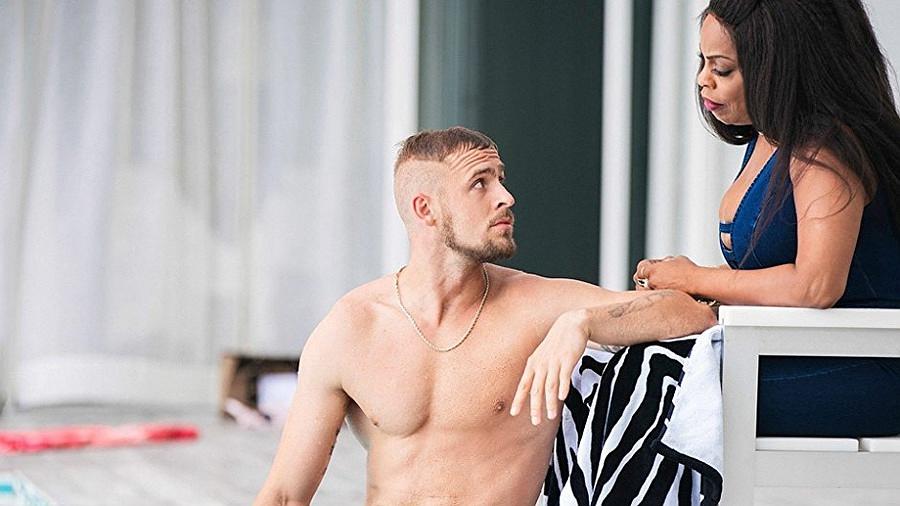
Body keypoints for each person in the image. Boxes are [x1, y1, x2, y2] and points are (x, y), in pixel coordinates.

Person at [253, 127, 716, 505]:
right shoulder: (353, 328)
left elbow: (689, 312)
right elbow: (285, 495)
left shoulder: (535, 305)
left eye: (501, 179)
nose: (506, 196)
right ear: (426, 209)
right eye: (480, 183)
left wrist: (583, 323)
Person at [633, 0, 900, 437]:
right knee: (621, 369)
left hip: (863, 368)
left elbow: (815, 286)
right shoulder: (769, 139)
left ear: (781, 67)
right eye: (703, 62)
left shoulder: (823, 150)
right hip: (798, 351)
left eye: (722, 69)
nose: (703, 80)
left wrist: (696, 278)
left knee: (650, 389)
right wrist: (688, 285)